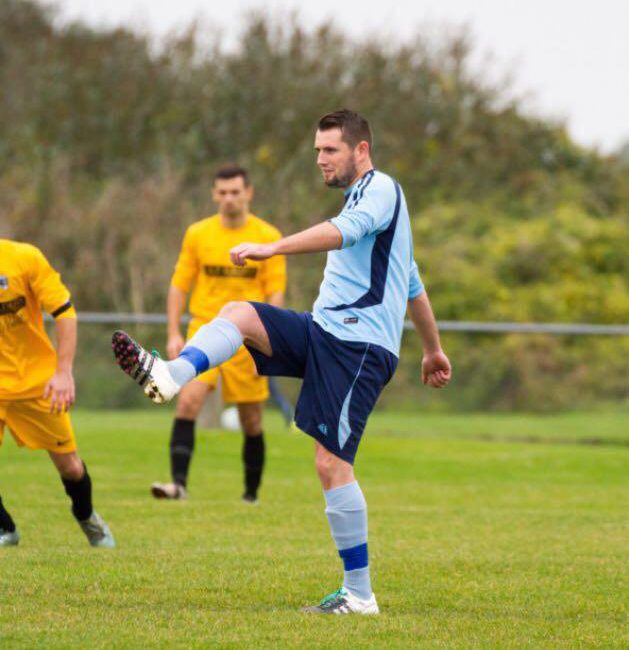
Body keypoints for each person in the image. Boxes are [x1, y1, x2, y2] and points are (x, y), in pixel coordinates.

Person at [112, 109, 451, 613]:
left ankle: (360, 595)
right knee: (240, 313)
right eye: (317, 150)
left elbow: (343, 233)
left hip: (357, 349)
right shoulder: (366, 201)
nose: (320, 159)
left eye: (330, 150)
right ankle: (170, 375)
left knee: (330, 463)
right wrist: (433, 349)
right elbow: (414, 284)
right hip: (325, 333)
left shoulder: (380, 191)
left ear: (361, 150)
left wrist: (274, 248)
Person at [150, 164, 286, 503]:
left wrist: (272, 344)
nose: (228, 199)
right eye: (222, 193)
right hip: (204, 331)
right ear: (214, 195)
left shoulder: (268, 236)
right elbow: (179, 285)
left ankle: (250, 496)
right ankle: (178, 485)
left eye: (235, 192)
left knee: (251, 419)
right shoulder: (198, 234)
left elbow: (276, 295)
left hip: (249, 336)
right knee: (188, 402)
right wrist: (173, 332)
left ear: (248, 193)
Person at [0, 239, 114, 548]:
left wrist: (63, 372)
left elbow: (64, 313)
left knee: (71, 467)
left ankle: (87, 516)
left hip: (35, 384)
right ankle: (5, 528)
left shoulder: (24, 258)